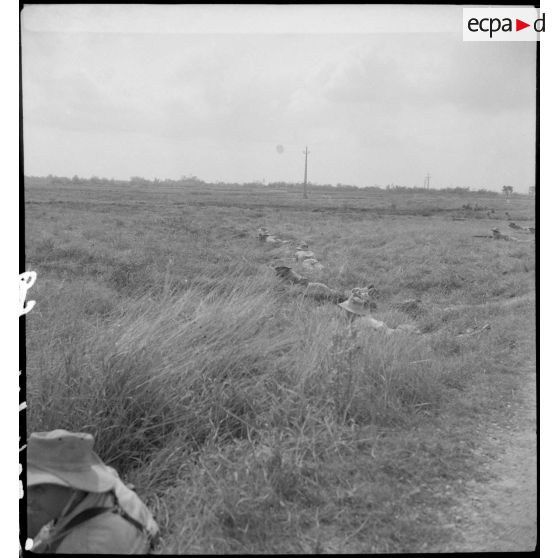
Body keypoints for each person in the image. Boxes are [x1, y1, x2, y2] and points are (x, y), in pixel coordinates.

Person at [27, 429, 159, 554]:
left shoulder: (80, 546)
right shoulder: (105, 477)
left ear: (74, 486)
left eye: (39, 489)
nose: (28, 497)